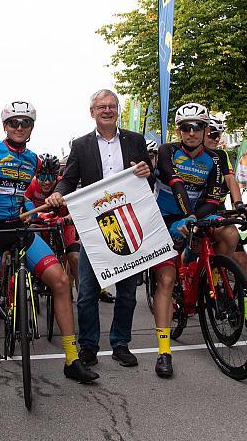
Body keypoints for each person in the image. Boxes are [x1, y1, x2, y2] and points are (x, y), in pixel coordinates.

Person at [0, 101, 99, 404]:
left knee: (60, 281)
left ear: (31, 128)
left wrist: (56, 195)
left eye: (25, 123)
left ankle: (71, 359)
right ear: (5, 126)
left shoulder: (34, 159)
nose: (19, 127)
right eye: (13, 122)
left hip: (21, 229)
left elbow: (58, 181)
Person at [46, 89, 153, 373]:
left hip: (129, 221)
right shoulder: (80, 145)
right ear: (91, 112)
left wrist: (146, 170)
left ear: (118, 111)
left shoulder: (136, 140)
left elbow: (149, 175)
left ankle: (120, 344)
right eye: (101, 106)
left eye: (112, 106)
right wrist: (58, 194)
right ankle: (89, 346)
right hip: (95, 227)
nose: (107, 110)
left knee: (128, 292)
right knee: (87, 292)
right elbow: (68, 180)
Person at [152, 103, 238, 377]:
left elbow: (213, 197)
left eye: (197, 127)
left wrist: (236, 206)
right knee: (166, 279)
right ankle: (163, 352)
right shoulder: (168, 151)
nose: (190, 133)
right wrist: (187, 218)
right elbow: (175, 182)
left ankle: (211, 274)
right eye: (185, 127)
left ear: (205, 129)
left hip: (197, 215)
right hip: (166, 217)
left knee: (230, 232)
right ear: (179, 130)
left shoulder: (214, 159)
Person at [204, 117, 247, 334]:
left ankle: (246, 312)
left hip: (219, 213)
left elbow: (232, 181)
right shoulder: (192, 156)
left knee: (243, 265)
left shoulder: (221, 156)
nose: (215, 139)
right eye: (211, 134)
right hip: (198, 214)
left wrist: (238, 204)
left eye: (218, 135)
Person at [23, 153, 81, 291]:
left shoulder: (64, 184)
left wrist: (64, 220)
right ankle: (34, 277)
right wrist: (36, 215)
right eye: (42, 177)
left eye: (51, 177)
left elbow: (78, 210)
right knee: (30, 236)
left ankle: (82, 295)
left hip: (63, 223)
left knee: (75, 258)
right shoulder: (31, 185)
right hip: (39, 224)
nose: (47, 182)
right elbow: (25, 206)